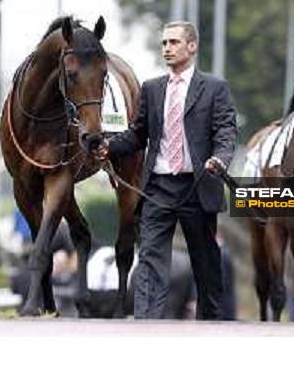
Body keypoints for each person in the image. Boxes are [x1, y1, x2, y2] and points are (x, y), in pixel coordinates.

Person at [96, 21, 238, 320]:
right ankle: (147, 325)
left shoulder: (214, 88)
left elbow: (226, 131)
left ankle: (213, 325)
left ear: (192, 46)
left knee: (206, 263)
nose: (167, 48)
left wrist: (220, 159)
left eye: (173, 42)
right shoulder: (152, 89)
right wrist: (109, 147)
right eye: (164, 43)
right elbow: (138, 134)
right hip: (158, 187)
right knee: (150, 259)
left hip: (198, 185)